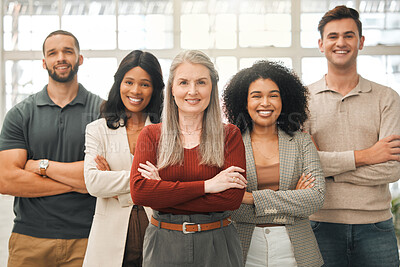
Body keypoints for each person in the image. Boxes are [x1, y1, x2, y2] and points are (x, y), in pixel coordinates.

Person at [129, 50, 247, 267]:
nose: (192, 91)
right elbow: (140, 193)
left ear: (212, 88)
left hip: (217, 243)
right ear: (172, 89)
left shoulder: (230, 135)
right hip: (164, 242)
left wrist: (163, 190)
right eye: (184, 82)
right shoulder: (151, 135)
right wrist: (209, 186)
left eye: (201, 82)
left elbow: (232, 199)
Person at [304, 5, 400, 267]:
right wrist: (367, 156)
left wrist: (327, 170)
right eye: (333, 36)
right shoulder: (302, 101)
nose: (341, 42)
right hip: (320, 225)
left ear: (361, 42)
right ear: (321, 44)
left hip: (376, 227)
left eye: (349, 35)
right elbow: (302, 167)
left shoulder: (387, 98)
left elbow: (392, 169)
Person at [0, 30, 102, 266]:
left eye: (68, 51)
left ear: (80, 58)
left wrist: (40, 167)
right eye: (53, 53)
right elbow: (6, 180)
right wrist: (79, 182)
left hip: (88, 238)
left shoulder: (102, 111)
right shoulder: (20, 114)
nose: (61, 58)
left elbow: (106, 175)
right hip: (29, 239)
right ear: (44, 62)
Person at [223, 60, 325, 267]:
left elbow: (316, 198)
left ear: (283, 100)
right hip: (243, 248)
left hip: (297, 249)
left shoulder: (301, 141)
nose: (265, 103)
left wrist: (250, 197)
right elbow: (229, 204)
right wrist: (293, 201)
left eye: (273, 95)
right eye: (257, 96)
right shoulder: (228, 143)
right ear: (244, 102)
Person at [83, 50, 164, 267]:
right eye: (129, 82)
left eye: (145, 84)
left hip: (158, 232)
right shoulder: (97, 130)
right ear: (119, 83)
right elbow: (93, 183)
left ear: (155, 88)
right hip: (109, 237)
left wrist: (113, 181)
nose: (135, 90)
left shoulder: (167, 130)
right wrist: (146, 182)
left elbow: (173, 183)